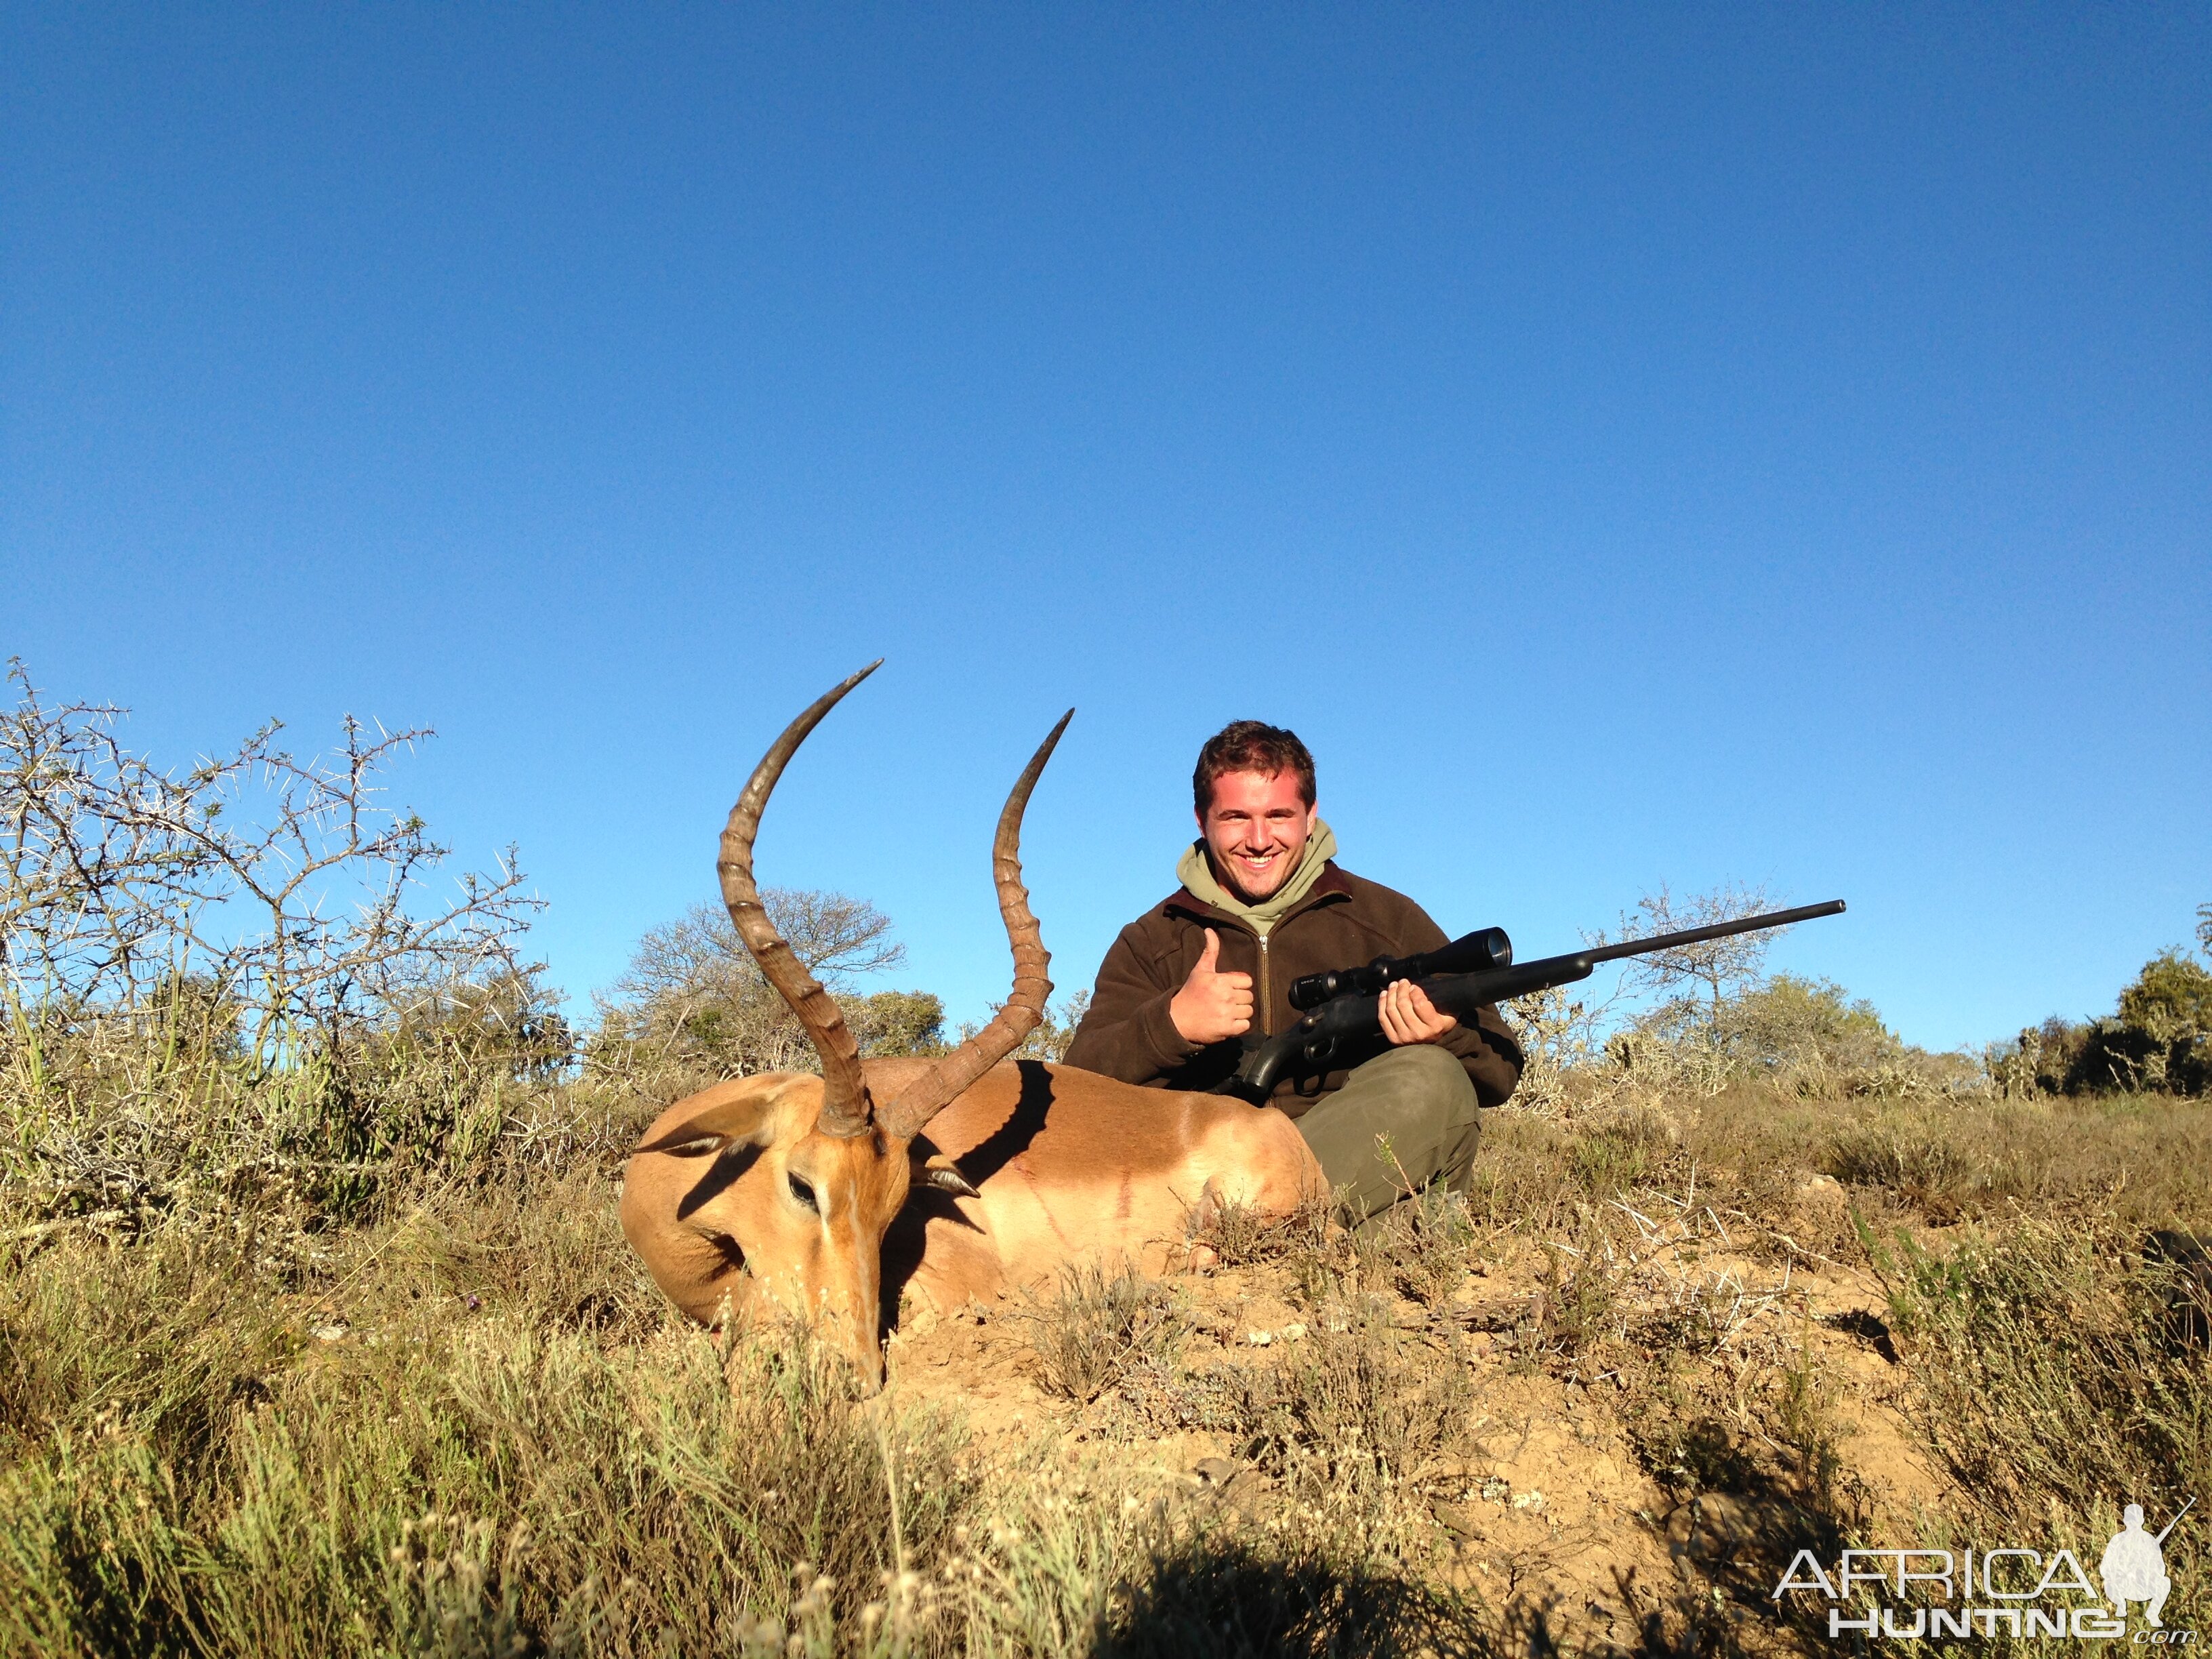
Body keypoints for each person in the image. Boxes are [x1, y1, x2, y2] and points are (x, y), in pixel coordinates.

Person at [1063, 719, 1522, 1221]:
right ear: (1201, 819)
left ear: (1310, 816)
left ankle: (1262, 1231)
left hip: (1342, 1172)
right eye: (1236, 817)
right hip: (1201, 1180)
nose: (1259, 840)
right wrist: (1170, 1025)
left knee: (1433, 1078)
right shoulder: (1151, 940)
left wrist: (1444, 1035)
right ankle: (1287, 1241)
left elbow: (1499, 1071)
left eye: (1279, 815)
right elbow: (1075, 1086)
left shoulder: (1388, 920)